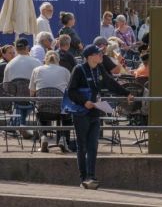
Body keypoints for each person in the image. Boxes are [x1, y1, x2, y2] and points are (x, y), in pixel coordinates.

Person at [64, 45, 133, 189]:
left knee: (93, 146)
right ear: (90, 56)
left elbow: (110, 83)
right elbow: (71, 91)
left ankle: (92, 176)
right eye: (98, 54)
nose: (101, 56)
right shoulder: (78, 70)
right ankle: (83, 178)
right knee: (82, 146)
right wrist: (84, 102)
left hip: (95, 111)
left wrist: (126, 93)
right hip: (81, 112)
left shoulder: (99, 68)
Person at [30, 50, 72, 153]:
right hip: (60, 109)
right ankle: (63, 138)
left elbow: (32, 92)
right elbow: (70, 91)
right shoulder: (65, 71)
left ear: (45, 59)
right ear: (58, 60)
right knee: (67, 113)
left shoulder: (37, 70)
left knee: (39, 112)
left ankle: (43, 137)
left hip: (43, 108)